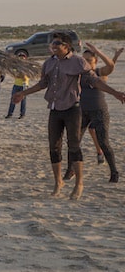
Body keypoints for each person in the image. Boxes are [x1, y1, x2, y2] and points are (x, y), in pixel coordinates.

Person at [13, 32, 125, 199]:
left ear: (66, 46)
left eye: (57, 43)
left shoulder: (78, 61)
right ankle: (58, 182)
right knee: (54, 146)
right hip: (54, 108)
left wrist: (115, 93)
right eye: (53, 43)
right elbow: (43, 83)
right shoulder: (48, 63)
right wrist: (24, 94)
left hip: (73, 108)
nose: (53, 46)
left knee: (74, 145)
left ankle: (79, 183)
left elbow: (95, 80)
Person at [69, 44, 122, 183]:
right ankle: (71, 170)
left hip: (99, 111)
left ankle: (114, 172)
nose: (86, 63)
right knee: (74, 142)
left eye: (89, 60)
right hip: (81, 112)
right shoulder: (79, 74)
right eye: (84, 60)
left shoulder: (98, 72)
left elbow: (110, 66)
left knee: (103, 142)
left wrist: (98, 52)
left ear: (95, 61)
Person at [5, 55, 29, 119]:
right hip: (16, 84)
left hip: (24, 84)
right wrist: (20, 74)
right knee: (13, 99)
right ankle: (10, 114)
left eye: (23, 58)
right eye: (20, 58)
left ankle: (22, 114)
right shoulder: (17, 66)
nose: (21, 59)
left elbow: (24, 77)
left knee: (23, 100)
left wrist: (21, 75)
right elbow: (15, 75)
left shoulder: (27, 66)